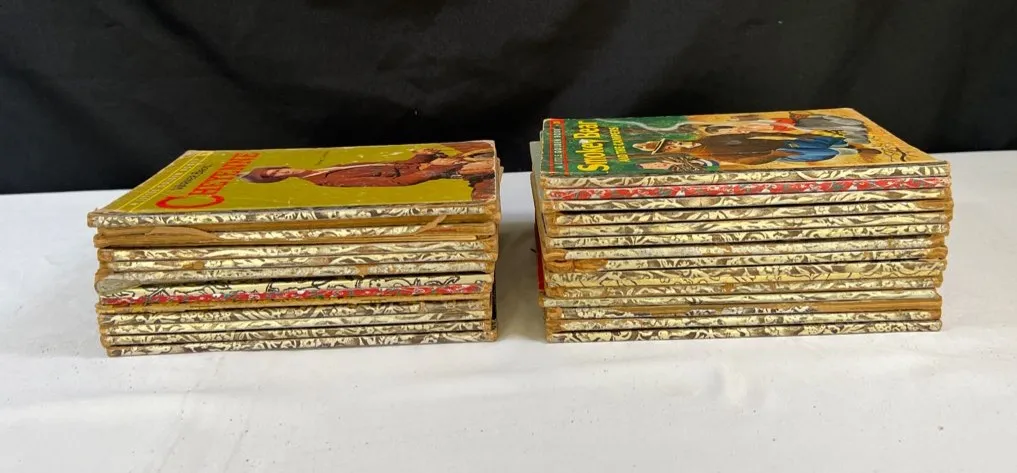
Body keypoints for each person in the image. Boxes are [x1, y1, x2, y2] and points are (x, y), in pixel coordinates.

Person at [240, 141, 496, 199]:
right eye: (272, 177)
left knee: (479, 150)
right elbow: (394, 182)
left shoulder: (330, 166)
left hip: (431, 164)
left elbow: (393, 166)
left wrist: (422, 155)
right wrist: (431, 171)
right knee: (483, 166)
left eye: (273, 170)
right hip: (439, 171)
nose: (279, 173)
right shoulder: (324, 181)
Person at [632, 131, 849, 166]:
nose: (674, 145)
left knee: (833, 141)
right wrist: (773, 155)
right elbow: (744, 161)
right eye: (669, 149)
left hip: (782, 142)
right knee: (829, 154)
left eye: (670, 142)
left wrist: (792, 136)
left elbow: (750, 135)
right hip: (779, 153)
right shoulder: (708, 154)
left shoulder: (708, 139)